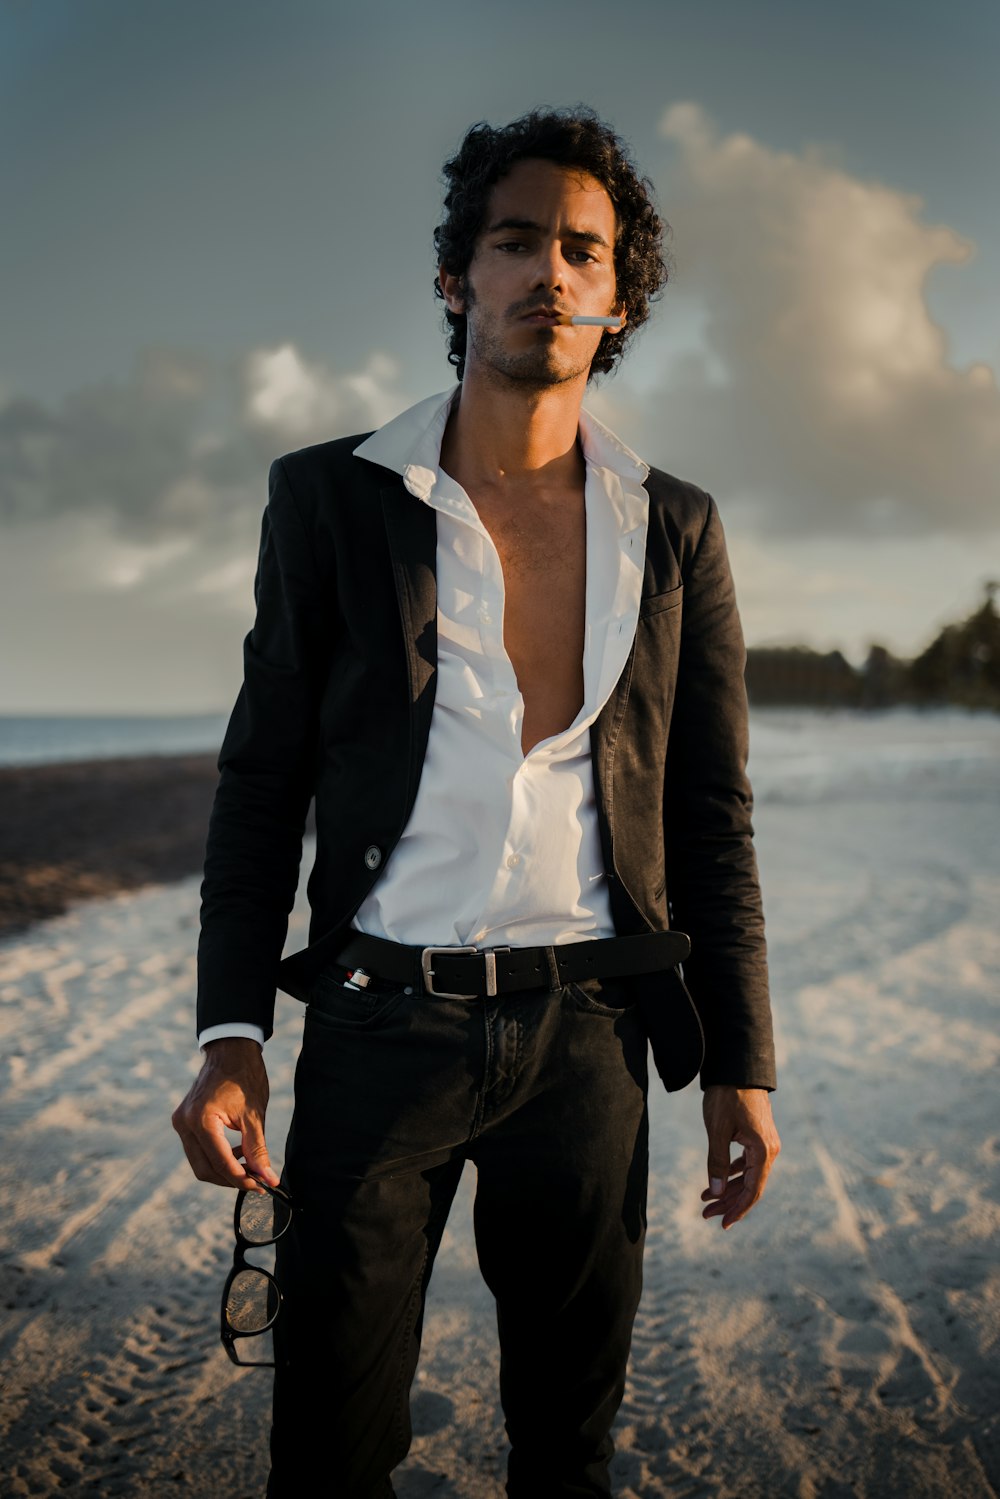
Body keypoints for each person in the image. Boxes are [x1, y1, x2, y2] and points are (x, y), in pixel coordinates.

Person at [172, 106, 780, 1498]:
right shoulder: (331, 500)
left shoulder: (672, 524)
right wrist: (230, 1035)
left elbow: (711, 815)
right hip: (382, 1029)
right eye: (517, 242)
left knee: (567, 1447)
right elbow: (262, 780)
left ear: (618, 296)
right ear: (458, 277)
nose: (549, 273)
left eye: (583, 249)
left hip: (590, 1040)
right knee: (328, 1444)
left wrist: (742, 1060)